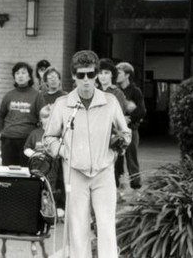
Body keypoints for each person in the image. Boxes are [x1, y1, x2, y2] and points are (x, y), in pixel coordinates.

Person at [44, 50, 131, 258]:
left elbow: (126, 132)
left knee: (106, 226)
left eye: (90, 75)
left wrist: (121, 142)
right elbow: (49, 138)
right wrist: (65, 152)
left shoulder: (110, 101)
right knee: (78, 227)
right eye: (81, 75)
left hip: (104, 172)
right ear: (73, 76)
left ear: (96, 75)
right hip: (75, 173)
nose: (86, 80)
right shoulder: (62, 104)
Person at [0, 62, 45, 167]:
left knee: (25, 173)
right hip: (8, 140)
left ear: (29, 76)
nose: (20, 75)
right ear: (14, 77)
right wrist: (1, 132)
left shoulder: (37, 96)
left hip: (27, 140)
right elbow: (1, 116)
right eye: (17, 73)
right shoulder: (8, 95)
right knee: (8, 172)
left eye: (23, 73)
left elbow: (42, 118)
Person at [24, 105, 65, 218]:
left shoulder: (59, 134)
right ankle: (36, 211)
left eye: (51, 117)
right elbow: (26, 149)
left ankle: (50, 213)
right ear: (40, 119)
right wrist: (35, 155)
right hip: (37, 168)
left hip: (53, 169)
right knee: (37, 189)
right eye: (45, 117)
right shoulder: (35, 133)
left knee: (51, 190)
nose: (48, 120)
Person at [96, 58, 128, 189]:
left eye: (106, 73)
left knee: (112, 171)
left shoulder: (117, 93)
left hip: (111, 138)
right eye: (100, 73)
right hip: (94, 136)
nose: (103, 76)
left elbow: (117, 117)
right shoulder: (93, 91)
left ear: (112, 74)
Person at [116, 62, 147, 190]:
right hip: (116, 130)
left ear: (127, 75)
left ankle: (136, 186)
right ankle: (118, 187)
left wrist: (129, 119)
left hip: (130, 129)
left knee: (131, 159)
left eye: (119, 73)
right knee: (116, 160)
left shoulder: (135, 91)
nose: (116, 75)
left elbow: (141, 111)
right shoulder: (114, 90)